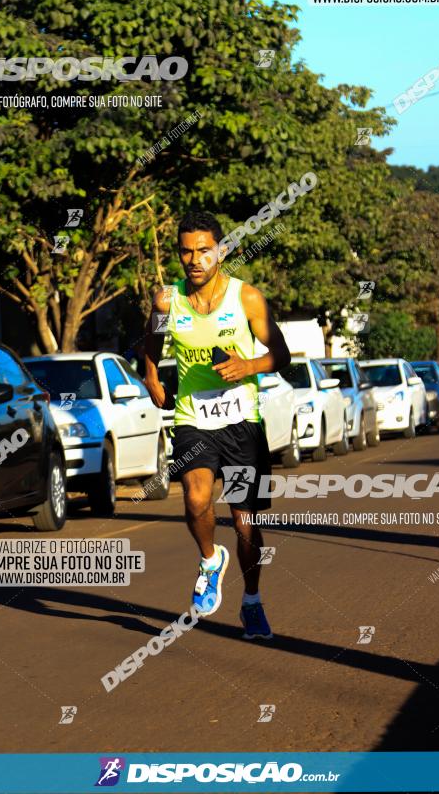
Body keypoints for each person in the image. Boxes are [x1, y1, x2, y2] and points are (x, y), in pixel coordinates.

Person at [144, 210, 291, 639]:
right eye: (187, 252)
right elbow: (151, 344)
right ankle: (210, 559)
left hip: (243, 419)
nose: (195, 260)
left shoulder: (246, 298)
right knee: (195, 499)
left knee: (246, 522)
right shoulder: (166, 302)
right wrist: (151, 378)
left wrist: (248, 365)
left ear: (221, 251)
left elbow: (280, 354)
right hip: (194, 417)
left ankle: (251, 601)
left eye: (204, 251)